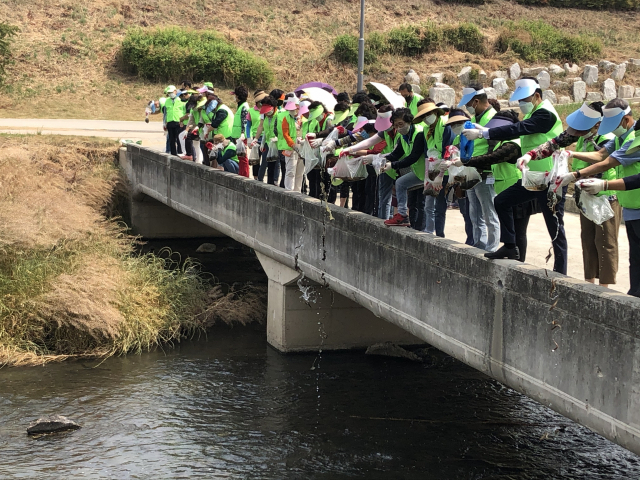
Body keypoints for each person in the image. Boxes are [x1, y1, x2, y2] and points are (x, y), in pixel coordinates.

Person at [463, 77, 566, 274]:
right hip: (534, 178)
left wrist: (485, 134)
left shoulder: (546, 114)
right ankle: (510, 246)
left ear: (537, 95)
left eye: (524, 99)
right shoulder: (533, 113)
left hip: (551, 179)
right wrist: (485, 131)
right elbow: (516, 131)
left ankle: (560, 271)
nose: (521, 104)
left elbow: (517, 129)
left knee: (555, 229)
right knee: (501, 201)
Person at [554, 99, 640, 296]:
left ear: (626, 120)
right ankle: (633, 295)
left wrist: (575, 175)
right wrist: (571, 154)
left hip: (612, 197)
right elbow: (601, 155)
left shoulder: (633, 139)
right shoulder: (619, 137)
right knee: (632, 257)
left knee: (607, 244)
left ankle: (610, 291)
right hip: (629, 204)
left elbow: (607, 163)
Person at [458, 84, 500, 252]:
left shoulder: (494, 118)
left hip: (485, 172)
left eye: (469, 104)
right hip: (472, 170)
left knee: (489, 214)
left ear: (476, 101)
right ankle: (478, 245)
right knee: (475, 214)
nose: (467, 108)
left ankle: (492, 248)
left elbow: (495, 145)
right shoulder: (476, 118)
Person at [340, 105, 396, 219]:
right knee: (380, 196)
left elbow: (376, 150)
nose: (362, 132)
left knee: (393, 198)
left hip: (391, 165)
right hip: (382, 167)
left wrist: (359, 153)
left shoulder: (395, 133)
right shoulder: (381, 132)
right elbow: (363, 140)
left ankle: (388, 217)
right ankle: (382, 220)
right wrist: (350, 149)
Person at [382, 108, 426, 227]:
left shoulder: (419, 133)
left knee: (424, 205)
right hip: (418, 172)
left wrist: (393, 165)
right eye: (396, 125)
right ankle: (402, 216)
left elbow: (413, 157)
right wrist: (383, 160)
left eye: (401, 124)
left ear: (409, 121)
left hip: (427, 172)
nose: (398, 128)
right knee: (401, 184)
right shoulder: (403, 136)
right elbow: (397, 154)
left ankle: (425, 230)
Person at [416, 101, 454, 236]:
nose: (426, 118)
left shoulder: (445, 125)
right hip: (432, 169)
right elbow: (428, 151)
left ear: (435, 112)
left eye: (428, 114)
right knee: (428, 203)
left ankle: (440, 234)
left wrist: (441, 175)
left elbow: (448, 150)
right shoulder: (426, 129)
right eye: (423, 116)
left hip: (446, 169)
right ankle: (429, 230)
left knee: (439, 205)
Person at [252, 96, 281, 186]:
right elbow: (265, 130)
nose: (267, 113)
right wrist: (261, 142)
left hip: (277, 144)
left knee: (275, 165)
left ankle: (274, 183)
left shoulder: (279, 116)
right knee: (266, 162)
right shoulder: (265, 116)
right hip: (268, 143)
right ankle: (267, 183)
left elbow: (282, 131)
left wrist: (277, 138)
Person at [278, 99, 304, 191]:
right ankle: (289, 191)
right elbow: (285, 134)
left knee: (299, 173)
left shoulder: (303, 118)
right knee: (290, 171)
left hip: (301, 148)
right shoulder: (286, 118)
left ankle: (297, 192)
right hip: (290, 148)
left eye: (294, 109)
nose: (292, 111)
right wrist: (292, 144)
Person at [164, 86, 185, 156]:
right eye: (169, 93)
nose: (170, 94)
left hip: (178, 121)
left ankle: (180, 152)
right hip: (170, 121)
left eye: (171, 92)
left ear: (175, 91)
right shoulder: (167, 101)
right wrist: (165, 123)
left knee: (179, 138)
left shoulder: (180, 100)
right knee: (171, 139)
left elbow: (183, 111)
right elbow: (165, 113)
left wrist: (182, 121)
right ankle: (173, 154)